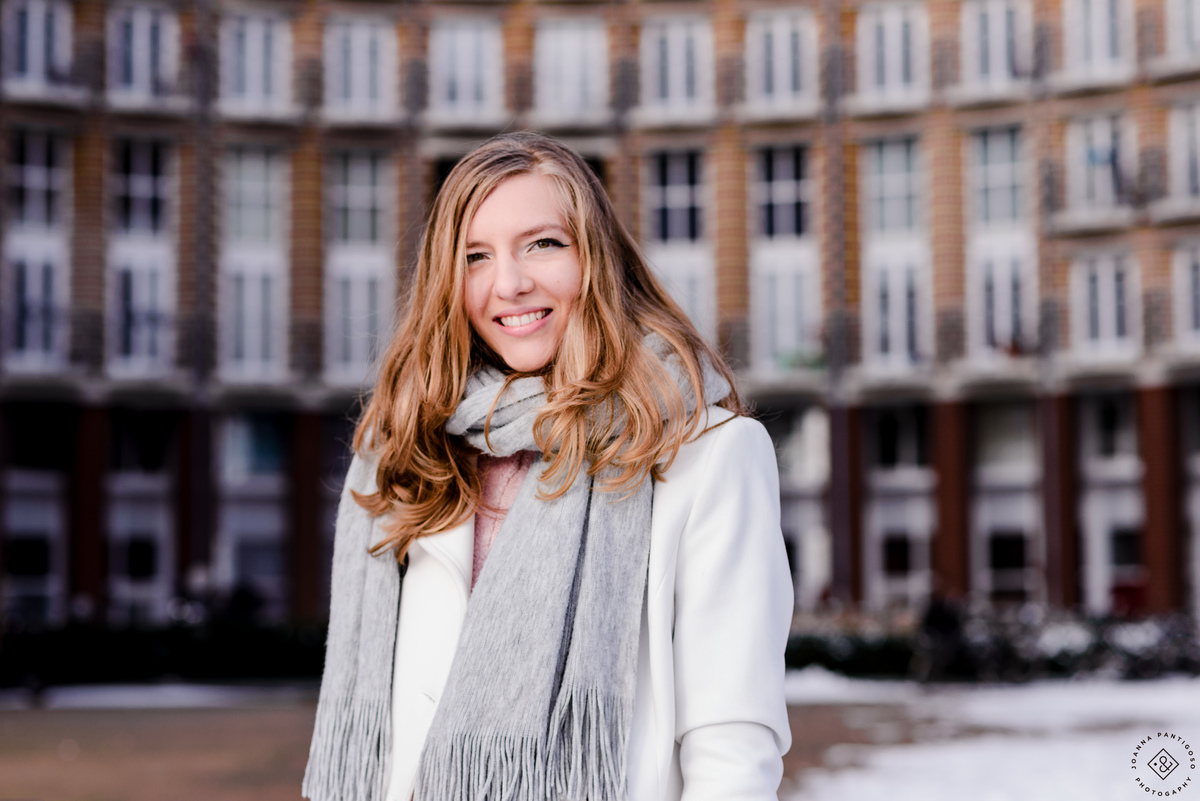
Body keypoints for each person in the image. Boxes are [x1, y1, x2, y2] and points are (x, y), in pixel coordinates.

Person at [302, 132, 793, 801]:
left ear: (597, 258)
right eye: (475, 256)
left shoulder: (709, 455)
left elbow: (731, 748)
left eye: (542, 243)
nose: (508, 283)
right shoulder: (410, 453)